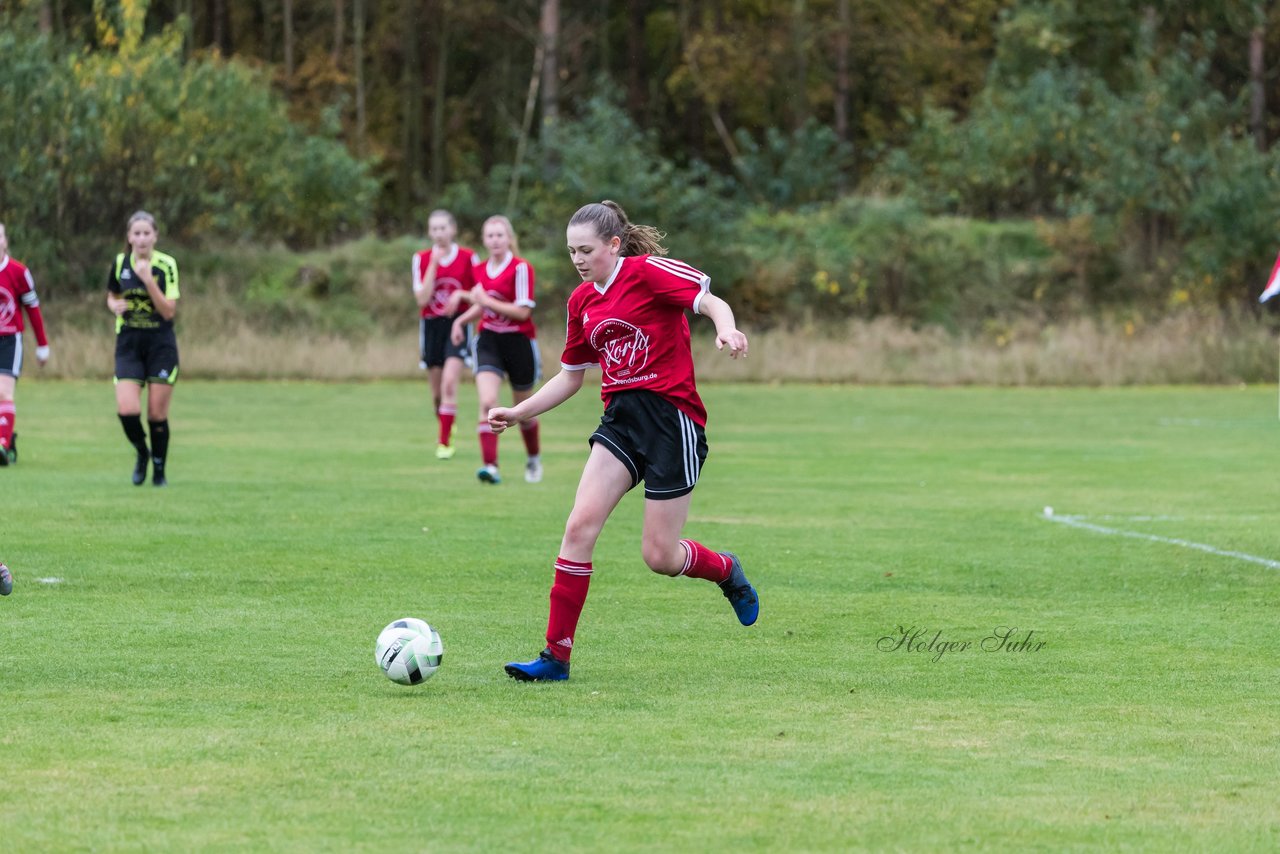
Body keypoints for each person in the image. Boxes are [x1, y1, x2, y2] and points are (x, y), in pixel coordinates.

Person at [490, 200, 758, 682]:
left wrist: (727, 329)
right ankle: (555, 658)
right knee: (578, 527)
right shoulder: (581, 302)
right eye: (571, 251)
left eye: (586, 250)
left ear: (614, 245)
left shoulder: (648, 272)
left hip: (671, 421)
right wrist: (518, 411)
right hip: (620, 421)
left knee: (660, 556)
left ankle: (724, 569)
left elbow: (710, 301)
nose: (578, 259)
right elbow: (570, 378)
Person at [450, 214, 543, 484]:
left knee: (523, 410)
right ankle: (490, 466)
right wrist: (460, 320)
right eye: (490, 235)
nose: (495, 240)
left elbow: (523, 312)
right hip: (489, 338)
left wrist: (486, 300)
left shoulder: (521, 268)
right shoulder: (478, 269)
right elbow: (482, 306)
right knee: (488, 402)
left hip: (518, 342)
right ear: (484, 240)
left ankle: (533, 458)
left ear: (509, 238)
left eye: (500, 235)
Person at [106, 210, 180, 487]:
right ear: (129, 237)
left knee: (156, 415)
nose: (141, 238)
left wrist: (148, 279)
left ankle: (159, 470)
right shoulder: (119, 263)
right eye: (136, 233)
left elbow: (169, 310)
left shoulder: (166, 265)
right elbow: (112, 295)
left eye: (146, 233)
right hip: (128, 344)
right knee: (127, 409)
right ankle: (142, 453)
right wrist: (114, 306)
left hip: (160, 344)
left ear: (155, 236)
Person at [413, 210, 479, 459]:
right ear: (430, 232)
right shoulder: (420, 259)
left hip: (458, 325)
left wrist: (460, 295)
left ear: (453, 230)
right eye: (434, 229)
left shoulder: (468, 257)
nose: (439, 233)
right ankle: (446, 424)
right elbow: (422, 298)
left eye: (443, 228)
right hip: (431, 326)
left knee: (450, 382)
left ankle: (443, 444)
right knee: (437, 394)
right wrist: (433, 263)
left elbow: (479, 295)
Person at [0, 221, 51, 467]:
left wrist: (42, 345)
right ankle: (9, 440)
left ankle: (2, 444)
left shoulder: (19, 272)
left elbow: (32, 308)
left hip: (10, 340)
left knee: (4, 392)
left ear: (5, 241)